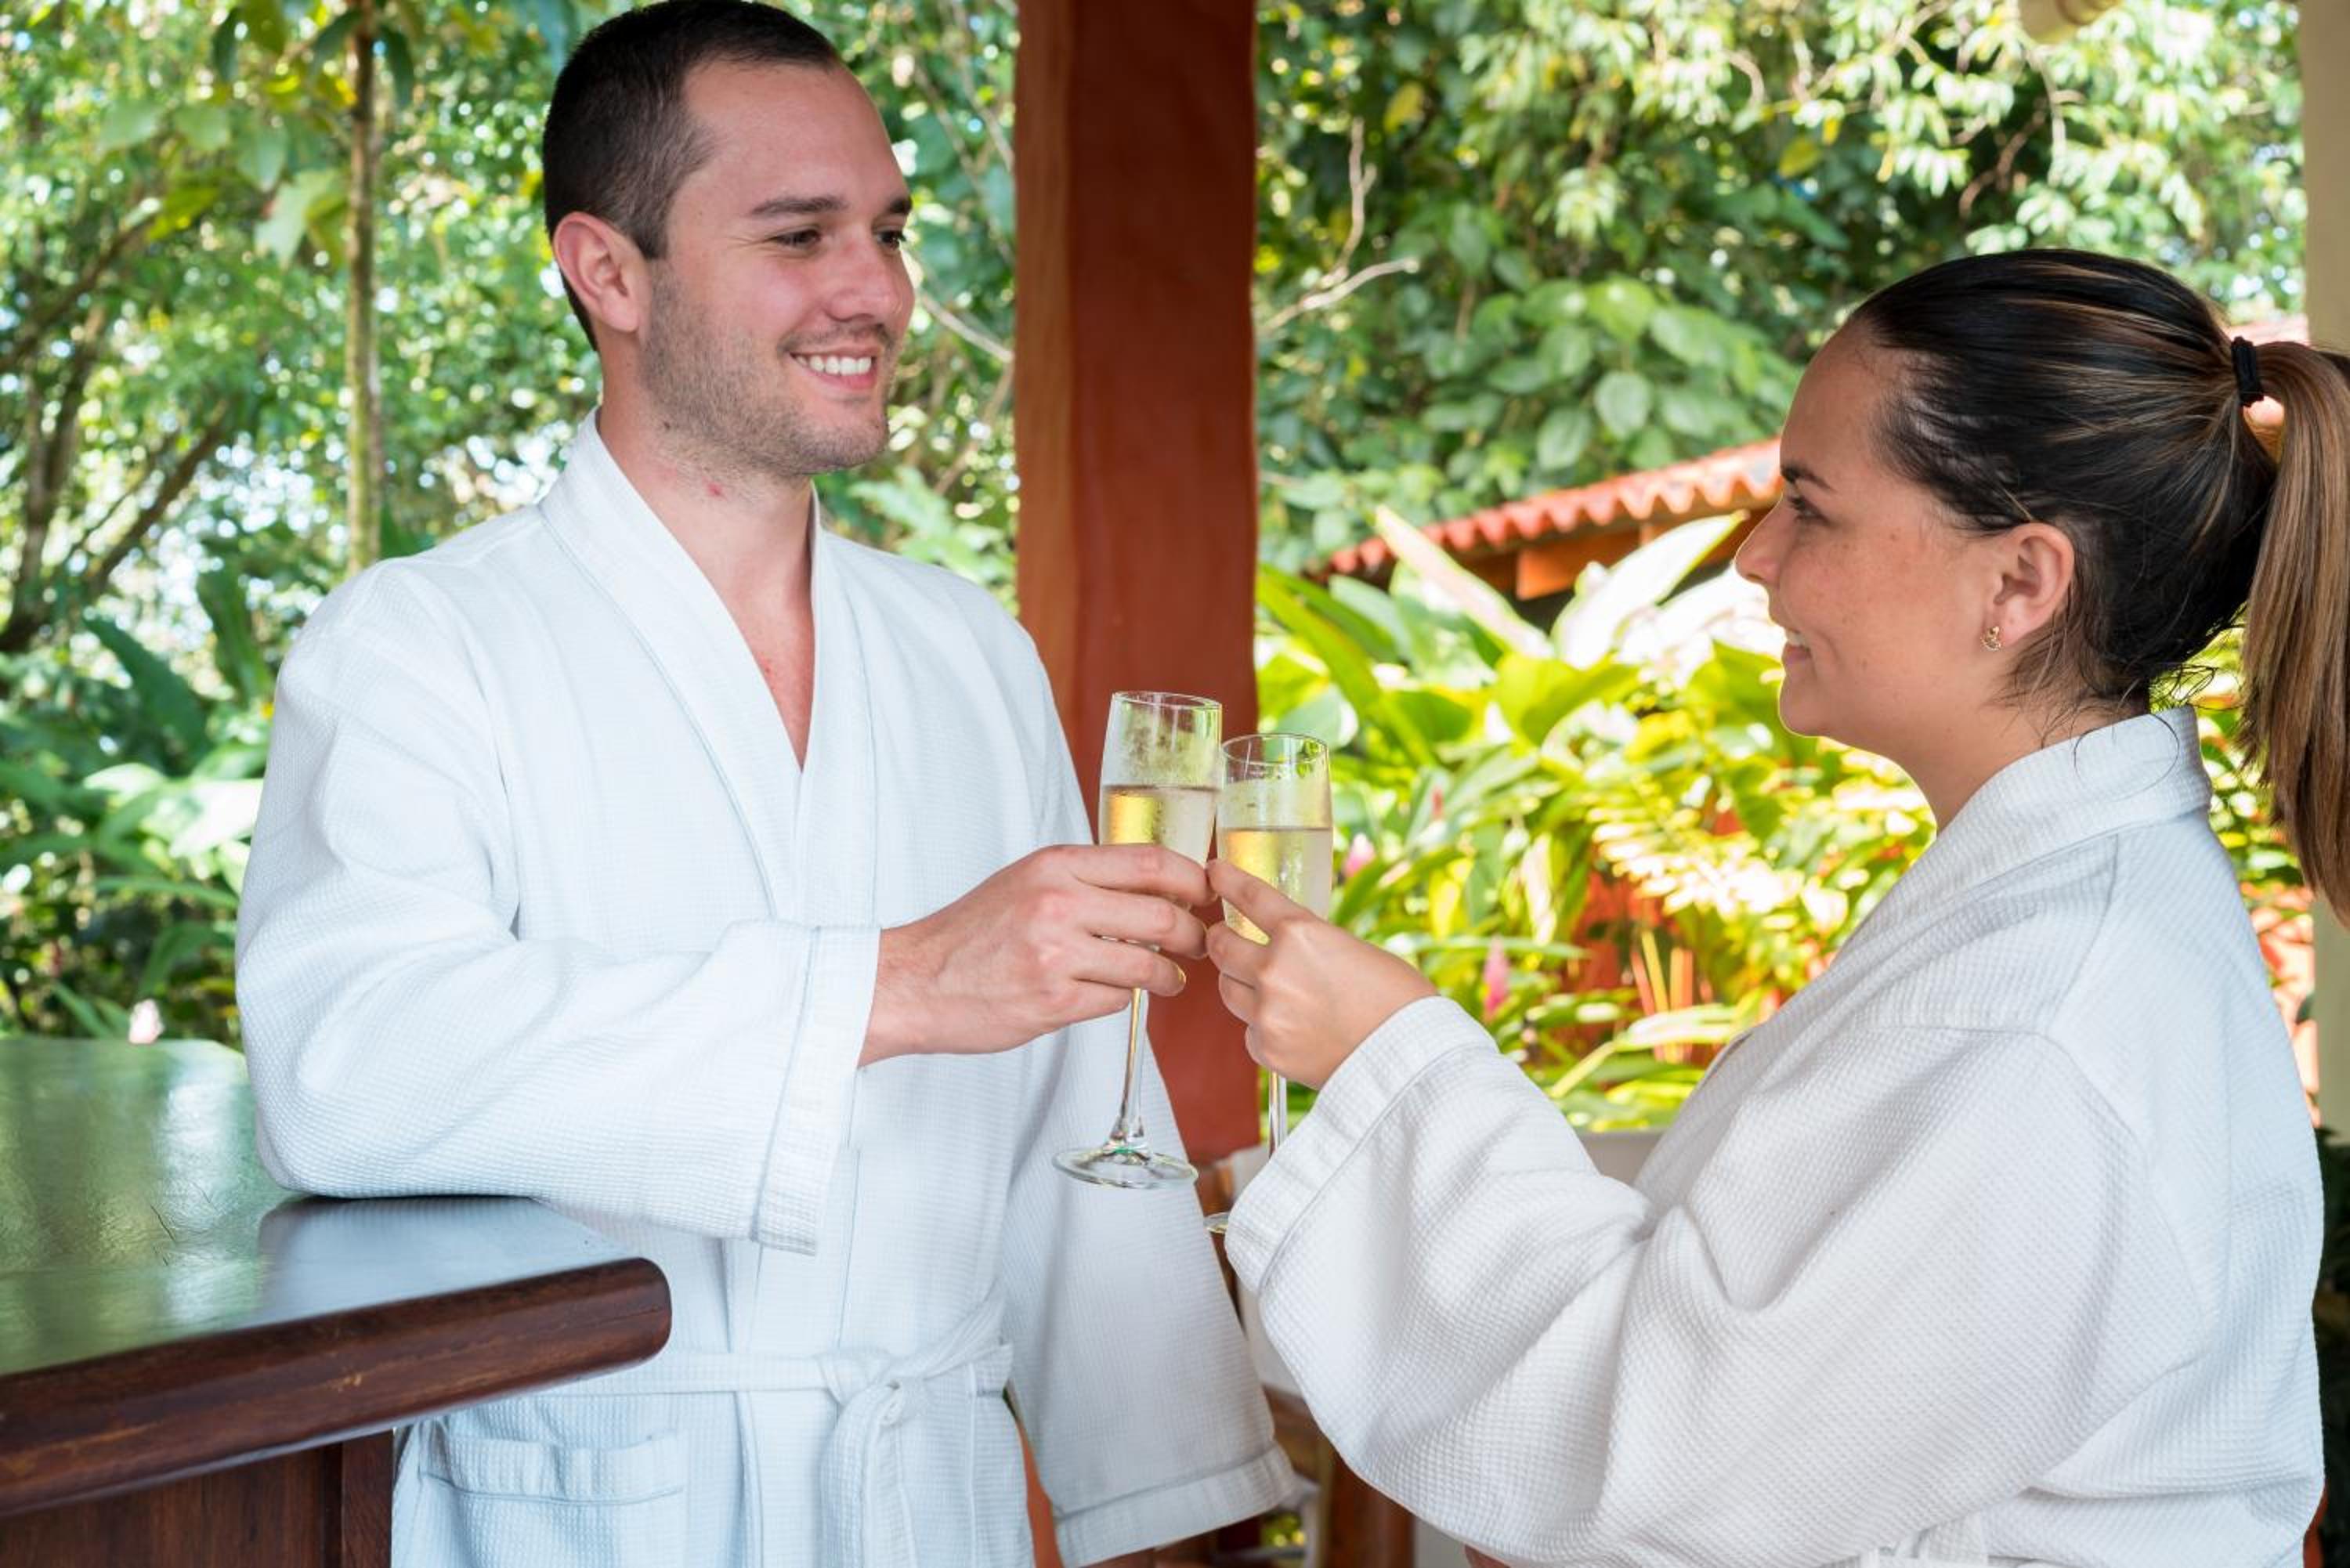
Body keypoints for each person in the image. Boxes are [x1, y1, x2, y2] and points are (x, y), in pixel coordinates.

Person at [234, 4, 1289, 1563]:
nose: (879, 290)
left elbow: (1088, 1136)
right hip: (574, 1517)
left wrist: (1186, 1515)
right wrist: (895, 985)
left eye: (888, 232)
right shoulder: (417, 646)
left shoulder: (967, 655)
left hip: (927, 1510)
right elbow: (349, 1070)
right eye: (801, 235)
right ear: (608, 272)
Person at [1204, 249, 2335, 1568]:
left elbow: (1664, 1456)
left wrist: (1394, 1054)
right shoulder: (2046, 918)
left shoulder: (2041, 1012)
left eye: (1810, 505)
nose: (1754, 555)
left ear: (2021, 583)